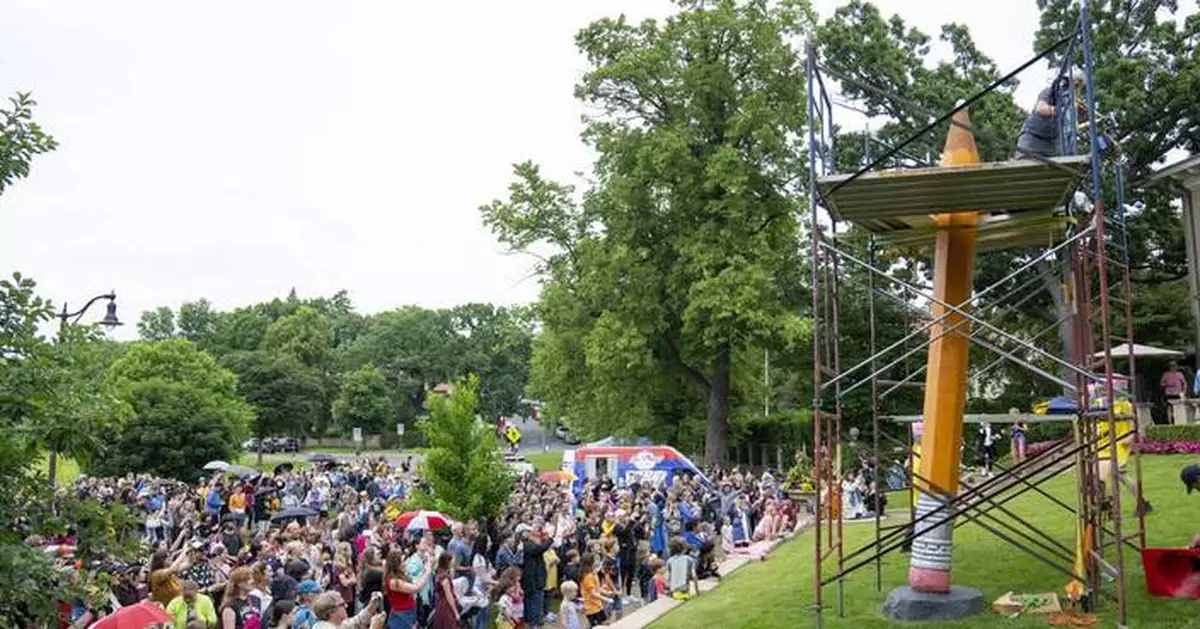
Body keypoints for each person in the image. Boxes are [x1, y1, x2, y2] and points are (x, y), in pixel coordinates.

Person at [1016, 71, 1084, 158]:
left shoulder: (1071, 103)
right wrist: (1062, 111)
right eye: (1072, 83)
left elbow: (1072, 129)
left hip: (1051, 145)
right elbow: (1041, 109)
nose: (1073, 87)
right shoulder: (1049, 91)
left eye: (1077, 85)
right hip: (1032, 139)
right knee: (1024, 167)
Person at [385, 547, 434, 629]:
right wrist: (428, 571)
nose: (405, 563)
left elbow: (416, 582)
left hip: (407, 613)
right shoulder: (393, 581)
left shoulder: (399, 575)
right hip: (401, 616)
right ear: (396, 564)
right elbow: (416, 587)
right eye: (402, 561)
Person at [311, 590, 381, 629]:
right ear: (331, 612)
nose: (346, 606)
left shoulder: (336, 623)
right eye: (342, 604)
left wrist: (371, 606)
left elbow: (357, 621)